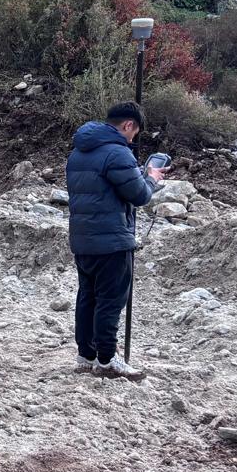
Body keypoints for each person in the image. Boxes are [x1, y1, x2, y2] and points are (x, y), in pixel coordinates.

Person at [66, 101, 165, 381]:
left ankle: (86, 356)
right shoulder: (118, 153)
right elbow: (139, 195)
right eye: (134, 134)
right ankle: (107, 361)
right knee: (110, 301)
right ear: (128, 125)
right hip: (112, 241)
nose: (133, 140)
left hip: (82, 239)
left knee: (87, 297)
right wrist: (151, 178)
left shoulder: (78, 152)